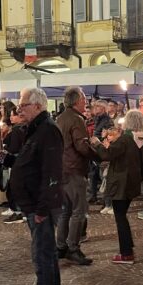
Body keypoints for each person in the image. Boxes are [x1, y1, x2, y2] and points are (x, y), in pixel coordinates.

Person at [1, 87, 65, 285]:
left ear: (38, 105)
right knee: (45, 255)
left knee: (43, 257)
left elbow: (51, 172)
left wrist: (41, 208)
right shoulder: (34, 130)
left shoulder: (48, 131)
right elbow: (30, 160)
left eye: (23, 105)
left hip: (42, 207)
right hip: (33, 204)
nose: (19, 110)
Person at [91, 110, 143, 264]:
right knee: (121, 216)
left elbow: (108, 154)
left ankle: (126, 253)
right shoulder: (129, 139)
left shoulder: (125, 140)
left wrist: (97, 144)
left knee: (120, 217)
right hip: (127, 182)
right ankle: (127, 246)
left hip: (121, 183)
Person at [56, 87, 95, 266]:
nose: (85, 102)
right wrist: (97, 151)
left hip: (62, 169)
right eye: (84, 99)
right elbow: (81, 146)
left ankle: (61, 245)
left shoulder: (60, 118)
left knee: (66, 211)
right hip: (74, 169)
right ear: (76, 101)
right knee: (78, 211)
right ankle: (73, 247)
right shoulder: (76, 119)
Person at [88, 100, 113, 203]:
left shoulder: (107, 121)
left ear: (102, 108)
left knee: (103, 175)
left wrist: (100, 144)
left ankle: (106, 199)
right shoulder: (96, 119)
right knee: (93, 174)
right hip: (94, 151)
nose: (95, 109)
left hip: (101, 150)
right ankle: (93, 195)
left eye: (97, 107)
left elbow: (109, 136)